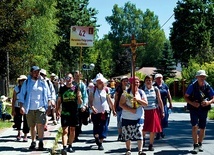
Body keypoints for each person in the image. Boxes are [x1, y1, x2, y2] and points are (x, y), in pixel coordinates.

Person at [18, 66, 52, 151]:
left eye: (38, 72)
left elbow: (48, 94)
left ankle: (40, 142)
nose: (37, 74)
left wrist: (49, 105)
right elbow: (22, 95)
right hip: (29, 107)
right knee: (32, 126)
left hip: (41, 107)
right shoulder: (27, 83)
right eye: (35, 72)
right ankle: (33, 141)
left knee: (40, 125)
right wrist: (21, 107)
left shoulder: (43, 82)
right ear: (31, 73)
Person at [184, 70, 214, 154]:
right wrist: (192, 103)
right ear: (197, 77)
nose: (202, 78)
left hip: (204, 108)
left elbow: (213, 97)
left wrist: (208, 102)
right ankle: (195, 145)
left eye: (204, 76)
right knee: (194, 126)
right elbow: (186, 97)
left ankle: (200, 143)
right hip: (194, 109)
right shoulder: (192, 86)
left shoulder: (207, 86)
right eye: (201, 76)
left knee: (203, 127)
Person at [119, 76, 148, 155]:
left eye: (138, 82)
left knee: (139, 133)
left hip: (139, 116)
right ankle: (128, 150)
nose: (137, 84)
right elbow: (121, 104)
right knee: (127, 134)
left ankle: (140, 150)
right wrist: (130, 109)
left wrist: (138, 100)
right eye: (135, 82)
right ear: (131, 83)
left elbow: (145, 104)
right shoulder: (126, 93)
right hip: (127, 116)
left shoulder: (141, 92)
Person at [56, 73, 82, 154]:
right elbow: (59, 100)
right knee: (65, 130)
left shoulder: (75, 88)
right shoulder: (62, 89)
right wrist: (57, 110)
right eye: (67, 77)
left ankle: (70, 145)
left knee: (72, 129)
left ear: (73, 79)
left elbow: (80, 101)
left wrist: (79, 97)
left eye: (70, 78)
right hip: (65, 112)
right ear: (65, 79)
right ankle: (64, 147)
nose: (69, 79)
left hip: (74, 112)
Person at [89, 73, 115, 150]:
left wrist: (113, 109)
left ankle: (100, 143)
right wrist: (92, 107)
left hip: (105, 111)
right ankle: (96, 137)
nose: (100, 82)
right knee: (96, 126)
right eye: (98, 81)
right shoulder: (92, 90)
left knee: (104, 126)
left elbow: (109, 100)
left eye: (101, 81)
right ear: (96, 82)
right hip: (95, 111)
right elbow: (90, 100)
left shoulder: (106, 90)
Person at [142, 75, 164, 151]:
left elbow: (159, 100)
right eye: (147, 80)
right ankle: (143, 140)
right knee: (143, 128)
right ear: (145, 82)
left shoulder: (155, 89)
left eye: (150, 80)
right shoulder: (141, 90)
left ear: (152, 81)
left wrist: (162, 111)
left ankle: (151, 144)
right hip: (144, 111)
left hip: (153, 110)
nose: (148, 81)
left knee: (152, 129)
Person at [153, 73, 173, 139]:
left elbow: (169, 95)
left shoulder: (165, 86)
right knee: (157, 119)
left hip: (164, 104)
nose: (159, 79)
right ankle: (158, 132)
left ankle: (161, 130)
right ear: (155, 79)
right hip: (156, 105)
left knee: (164, 118)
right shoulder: (154, 86)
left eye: (160, 78)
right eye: (157, 78)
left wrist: (170, 103)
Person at [11, 75, 29, 142]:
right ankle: (19, 132)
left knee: (26, 121)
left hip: (25, 106)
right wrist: (13, 109)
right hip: (17, 106)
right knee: (17, 120)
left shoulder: (28, 88)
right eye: (21, 80)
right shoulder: (16, 89)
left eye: (24, 80)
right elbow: (14, 99)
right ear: (19, 81)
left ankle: (25, 135)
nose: (23, 82)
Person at [73, 70, 89, 141]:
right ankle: (73, 136)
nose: (77, 77)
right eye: (75, 76)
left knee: (79, 122)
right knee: (73, 122)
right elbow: (71, 91)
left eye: (78, 76)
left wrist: (84, 105)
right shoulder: (72, 84)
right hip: (73, 106)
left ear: (80, 76)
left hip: (80, 106)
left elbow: (85, 96)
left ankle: (76, 135)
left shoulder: (82, 85)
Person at [114, 76, 128, 141]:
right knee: (119, 121)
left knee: (125, 122)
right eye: (124, 81)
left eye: (126, 81)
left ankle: (125, 134)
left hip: (127, 107)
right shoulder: (118, 89)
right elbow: (116, 99)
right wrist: (114, 109)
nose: (125, 82)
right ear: (121, 82)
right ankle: (120, 134)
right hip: (119, 108)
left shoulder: (129, 89)